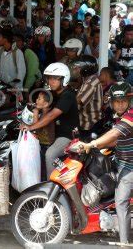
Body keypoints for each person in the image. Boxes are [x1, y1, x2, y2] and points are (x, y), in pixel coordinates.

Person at [76, 82, 133, 245]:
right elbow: (115, 141)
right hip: (121, 163)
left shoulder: (130, 116)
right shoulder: (118, 117)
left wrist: (91, 145)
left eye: (123, 100)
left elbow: (115, 134)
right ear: (112, 102)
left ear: (129, 101)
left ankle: (124, 243)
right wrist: (91, 143)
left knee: (121, 202)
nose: (119, 104)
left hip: (130, 167)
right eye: (116, 101)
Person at [21, 63, 79, 178]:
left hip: (67, 135)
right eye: (49, 78)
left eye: (55, 79)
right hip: (53, 133)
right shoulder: (53, 94)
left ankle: (52, 185)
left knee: (50, 154)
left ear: (64, 79)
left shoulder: (68, 95)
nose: (51, 82)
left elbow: (52, 115)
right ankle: (64, 172)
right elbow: (42, 103)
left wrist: (31, 127)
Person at [72, 55, 103, 140]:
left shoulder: (90, 83)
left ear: (86, 69)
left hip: (90, 124)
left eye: (78, 67)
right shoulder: (87, 80)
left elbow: (78, 102)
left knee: (87, 149)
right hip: (86, 122)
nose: (75, 69)